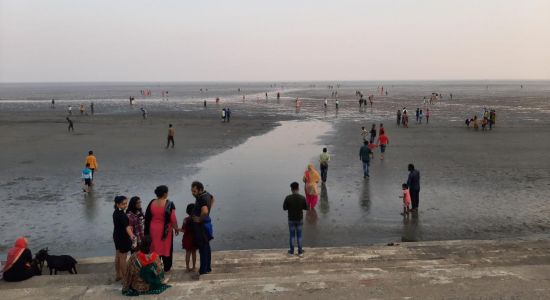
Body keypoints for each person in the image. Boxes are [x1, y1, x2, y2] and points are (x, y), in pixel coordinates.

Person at [144, 185, 179, 273]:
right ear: (164, 194)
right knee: (166, 248)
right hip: (165, 231)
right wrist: (176, 228)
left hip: (153, 229)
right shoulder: (169, 204)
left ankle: (155, 266)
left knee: (155, 247)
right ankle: (167, 268)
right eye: (167, 192)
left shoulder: (152, 202)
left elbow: (147, 216)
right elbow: (173, 218)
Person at [190, 181, 215, 277]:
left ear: (200, 190)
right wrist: (208, 211)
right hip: (205, 225)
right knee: (206, 247)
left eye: (194, 191)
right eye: (192, 191)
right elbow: (213, 199)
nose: (193, 193)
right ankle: (207, 268)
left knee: (203, 248)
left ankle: (203, 270)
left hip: (201, 227)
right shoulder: (207, 194)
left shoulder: (201, 198)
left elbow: (204, 211)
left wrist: (200, 219)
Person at [283, 182, 308, 257]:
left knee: (292, 236)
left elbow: (284, 208)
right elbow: (306, 208)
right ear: (298, 188)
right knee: (299, 236)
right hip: (299, 219)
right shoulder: (302, 198)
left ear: (291, 189)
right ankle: (300, 252)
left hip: (291, 219)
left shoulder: (288, 198)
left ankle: (291, 252)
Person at [113, 195, 134, 281]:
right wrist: (132, 235)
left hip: (116, 236)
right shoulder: (121, 215)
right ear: (118, 204)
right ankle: (126, 278)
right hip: (123, 237)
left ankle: (118, 275)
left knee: (118, 256)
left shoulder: (116, 212)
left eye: (126, 203)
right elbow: (127, 227)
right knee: (123, 258)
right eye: (123, 204)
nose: (125, 205)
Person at [181, 203, 197, 272]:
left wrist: (178, 229)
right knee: (194, 252)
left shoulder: (185, 219)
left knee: (188, 252)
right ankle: (193, 267)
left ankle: (187, 267)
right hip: (194, 238)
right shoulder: (196, 219)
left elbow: (183, 229)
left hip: (187, 238)